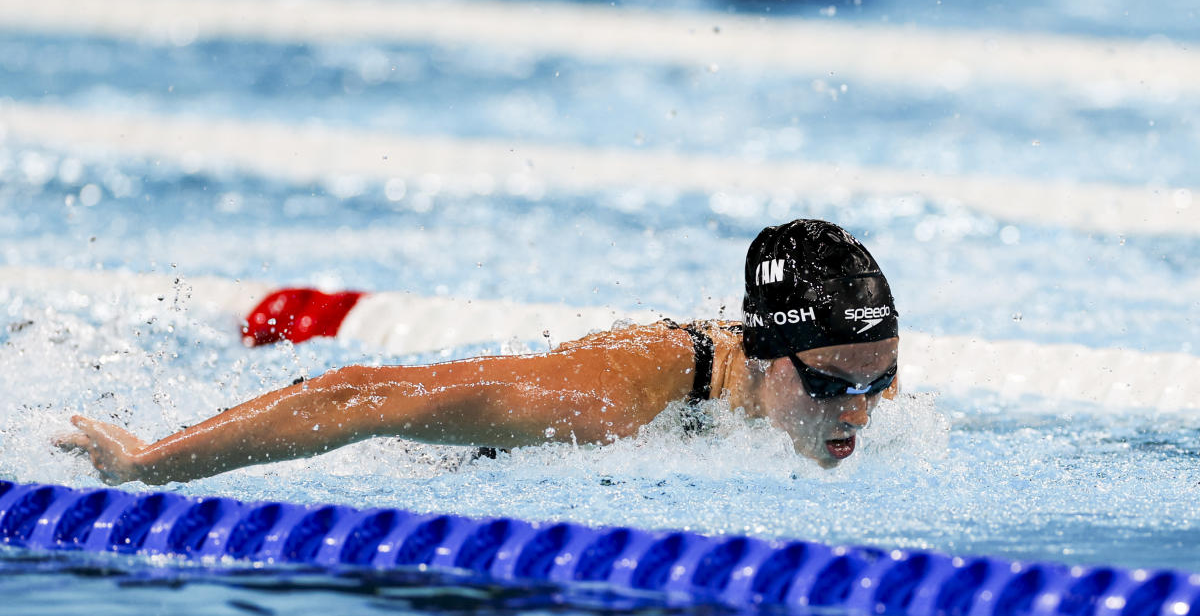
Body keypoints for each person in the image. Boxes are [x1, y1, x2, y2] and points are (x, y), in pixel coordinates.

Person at [57, 219, 900, 484]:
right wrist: (147, 465)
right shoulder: (605, 402)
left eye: (881, 379)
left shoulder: (856, 374)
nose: (858, 411)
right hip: (422, 465)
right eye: (829, 383)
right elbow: (356, 397)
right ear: (761, 353)